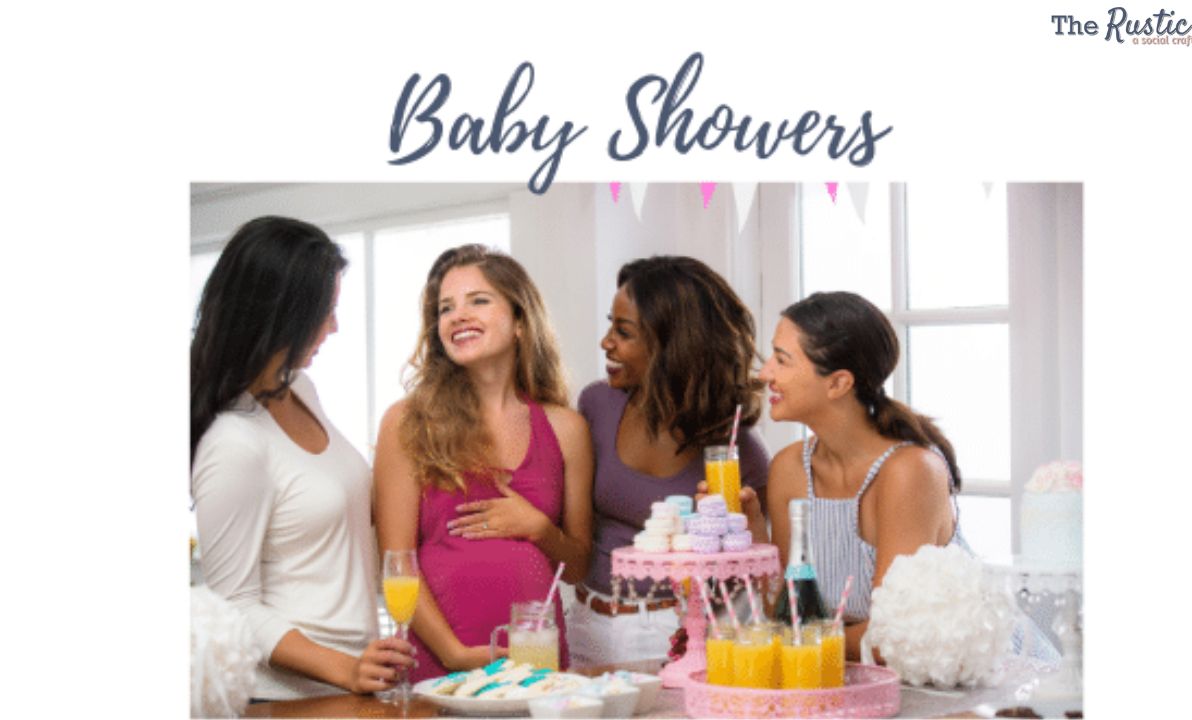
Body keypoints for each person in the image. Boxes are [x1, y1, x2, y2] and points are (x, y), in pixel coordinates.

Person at [756, 291, 1056, 661]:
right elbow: (789, 614)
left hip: (988, 676)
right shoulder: (789, 468)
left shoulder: (909, 472)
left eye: (782, 360)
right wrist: (752, 523)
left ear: (838, 384)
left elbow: (890, 637)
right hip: (867, 675)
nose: (765, 373)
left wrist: (799, 644)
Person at [191, 216, 414, 700]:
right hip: (286, 699)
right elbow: (233, 608)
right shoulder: (234, 443)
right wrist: (347, 669)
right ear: (279, 313)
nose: (334, 326)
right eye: (324, 311)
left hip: (346, 689)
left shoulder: (301, 390)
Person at [373, 244, 593, 681]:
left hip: (536, 660)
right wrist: (454, 654)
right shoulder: (408, 422)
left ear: (520, 321)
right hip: (441, 663)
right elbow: (396, 563)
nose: (458, 316)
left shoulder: (566, 428)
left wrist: (539, 528)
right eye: (446, 308)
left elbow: (579, 567)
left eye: (478, 300)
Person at [569, 255, 770, 668]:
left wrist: (746, 523)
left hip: (680, 632)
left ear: (673, 345)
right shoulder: (596, 405)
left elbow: (757, 572)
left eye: (624, 332)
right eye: (610, 325)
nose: (606, 342)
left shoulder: (736, 449)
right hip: (587, 621)